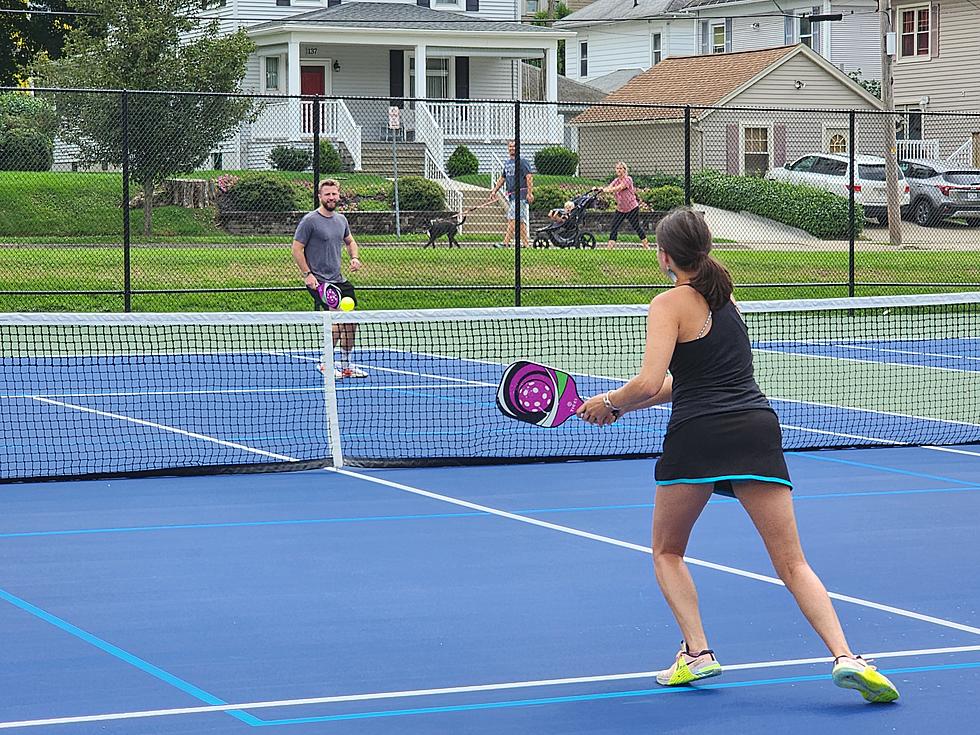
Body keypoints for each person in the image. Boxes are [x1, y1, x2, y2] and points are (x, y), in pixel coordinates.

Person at [575, 208, 899, 704]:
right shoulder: (729, 301)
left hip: (699, 434)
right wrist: (616, 407)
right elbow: (679, 382)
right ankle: (846, 657)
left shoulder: (668, 303)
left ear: (663, 255)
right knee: (792, 563)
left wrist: (610, 403)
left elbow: (646, 381)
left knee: (667, 552)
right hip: (755, 428)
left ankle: (698, 653)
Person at [291, 178, 367, 380]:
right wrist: (308, 274)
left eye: (334, 194)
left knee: (351, 322)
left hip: (339, 280)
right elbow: (297, 249)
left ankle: (346, 365)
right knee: (337, 317)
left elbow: (350, 242)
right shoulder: (310, 221)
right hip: (319, 282)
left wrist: (355, 258)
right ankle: (326, 362)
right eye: (327, 194)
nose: (331, 197)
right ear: (320, 196)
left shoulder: (341, 220)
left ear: (338, 195)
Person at [488, 140, 534, 249]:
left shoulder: (522, 162)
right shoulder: (508, 163)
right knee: (519, 220)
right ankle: (526, 244)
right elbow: (503, 178)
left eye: (514, 146)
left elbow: (529, 177)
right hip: (512, 196)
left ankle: (505, 243)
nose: (512, 148)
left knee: (512, 219)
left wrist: (530, 193)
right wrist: (494, 190)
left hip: (521, 195)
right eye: (510, 147)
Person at [597, 162, 650, 249]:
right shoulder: (616, 180)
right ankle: (609, 248)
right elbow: (609, 187)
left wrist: (607, 190)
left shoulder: (628, 179)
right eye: (617, 168)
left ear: (625, 170)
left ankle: (646, 246)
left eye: (621, 168)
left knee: (636, 226)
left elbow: (619, 188)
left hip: (632, 208)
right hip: (620, 209)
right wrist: (600, 189)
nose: (619, 170)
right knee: (614, 226)